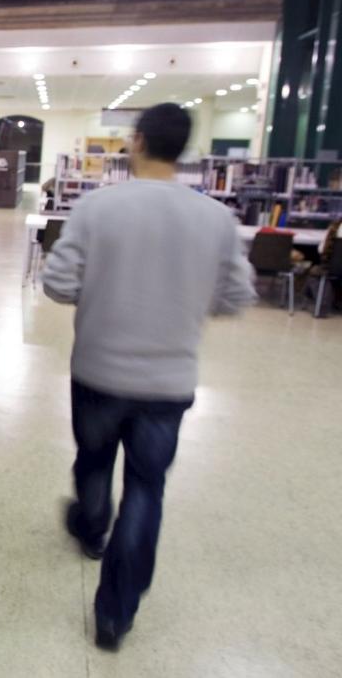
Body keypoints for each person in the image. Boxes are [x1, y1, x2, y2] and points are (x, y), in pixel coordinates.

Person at [42, 103, 256, 651]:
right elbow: (236, 296)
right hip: (169, 384)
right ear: (184, 150)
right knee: (146, 487)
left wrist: (102, 291)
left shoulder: (97, 207)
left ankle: (92, 527)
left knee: (94, 459)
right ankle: (115, 614)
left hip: (98, 371)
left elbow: (58, 283)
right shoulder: (216, 219)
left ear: (136, 141)